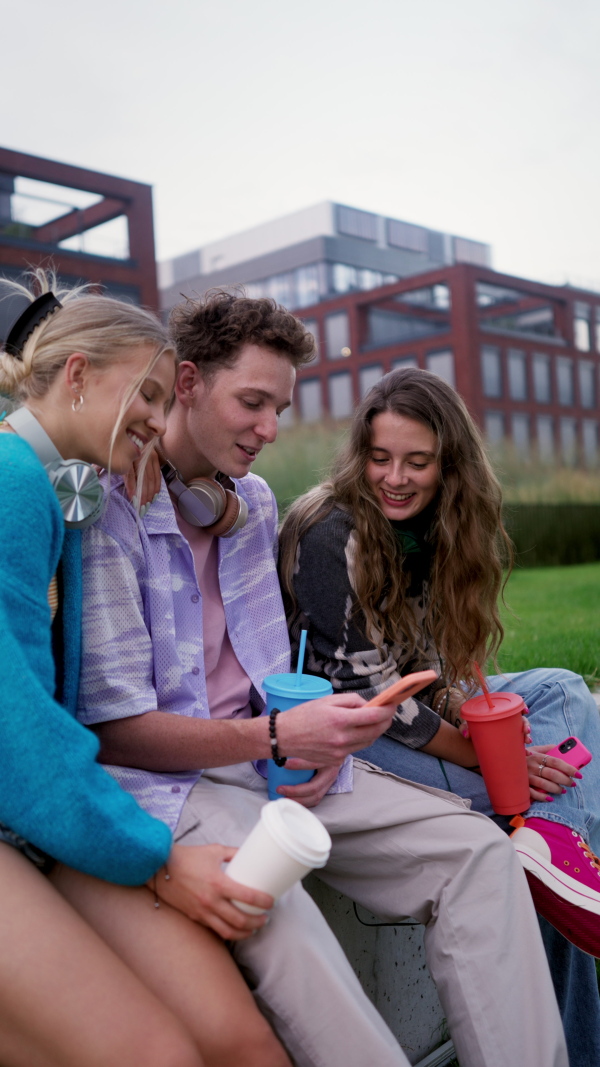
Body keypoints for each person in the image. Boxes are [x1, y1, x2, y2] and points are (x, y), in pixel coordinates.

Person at [76, 290, 568, 1067]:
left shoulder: (255, 502)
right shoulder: (110, 507)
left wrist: (328, 732)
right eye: (253, 402)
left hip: (290, 763)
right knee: (294, 932)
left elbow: (283, 675)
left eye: (281, 406)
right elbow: (113, 729)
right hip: (177, 784)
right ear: (189, 381)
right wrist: (276, 733)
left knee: (478, 855)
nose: (270, 429)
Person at [0, 273, 292, 1067]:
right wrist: (160, 859)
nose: (162, 423)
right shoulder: (13, 482)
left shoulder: (58, 488)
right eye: (151, 397)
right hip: (33, 813)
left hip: (44, 823)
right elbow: (19, 736)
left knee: (229, 1044)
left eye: (169, 403)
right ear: (77, 375)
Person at [279, 364, 600, 1067]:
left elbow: (431, 670)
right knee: (516, 805)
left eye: (417, 462)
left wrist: (473, 710)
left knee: (562, 690)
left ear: (448, 464)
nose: (394, 477)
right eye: (380, 457)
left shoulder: (432, 527)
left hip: (409, 704)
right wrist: (491, 756)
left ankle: (555, 850)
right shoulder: (332, 528)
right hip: (347, 731)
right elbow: (373, 697)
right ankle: (554, 853)